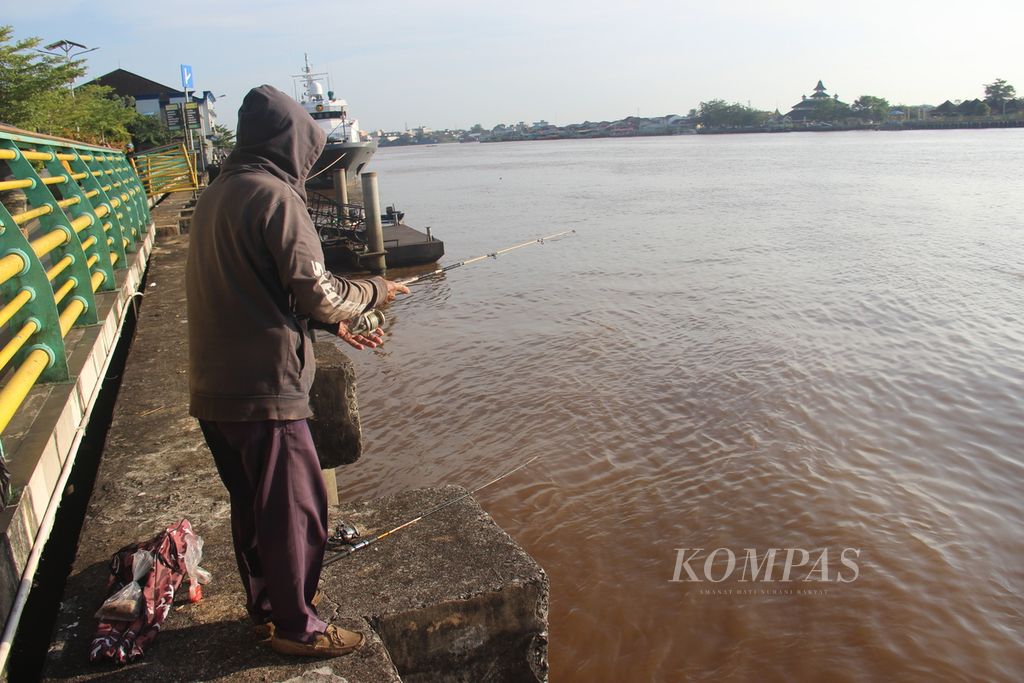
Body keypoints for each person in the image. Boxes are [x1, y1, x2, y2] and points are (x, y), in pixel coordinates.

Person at [185, 85, 408, 658]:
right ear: (295, 143)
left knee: (253, 509)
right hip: (266, 390)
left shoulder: (218, 193)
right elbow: (322, 292)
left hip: (217, 389)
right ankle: (297, 628)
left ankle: (267, 613)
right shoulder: (277, 198)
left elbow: (251, 288)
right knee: (295, 514)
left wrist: (329, 329)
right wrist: (376, 291)